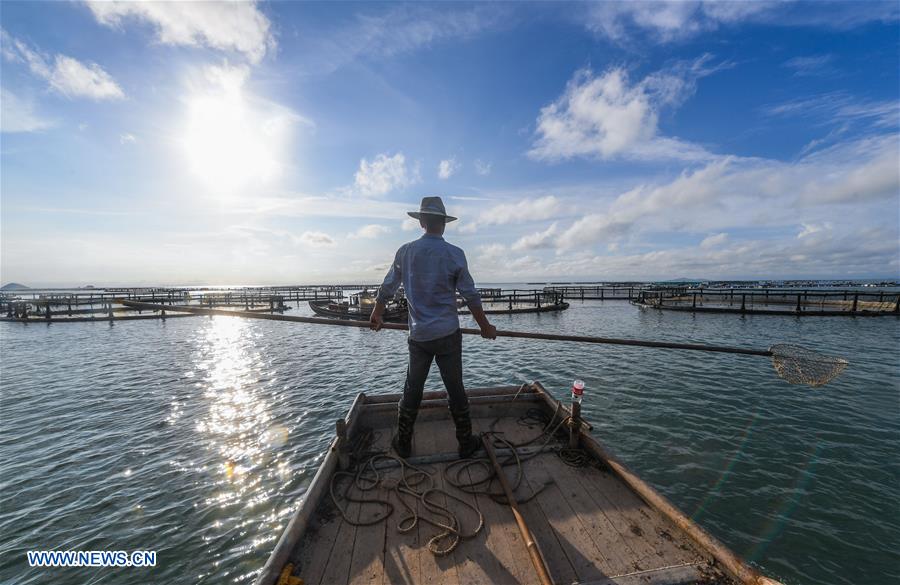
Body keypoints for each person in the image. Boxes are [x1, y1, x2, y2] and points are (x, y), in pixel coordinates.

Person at [370, 196, 497, 459]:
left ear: (422, 223)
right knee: (455, 389)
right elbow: (471, 296)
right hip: (448, 334)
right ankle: (465, 443)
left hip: (419, 337)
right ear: (443, 224)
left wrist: (377, 313)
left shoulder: (406, 252)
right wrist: (485, 327)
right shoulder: (455, 254)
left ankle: (403, 443)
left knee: (412, 389)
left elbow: (388, 287)